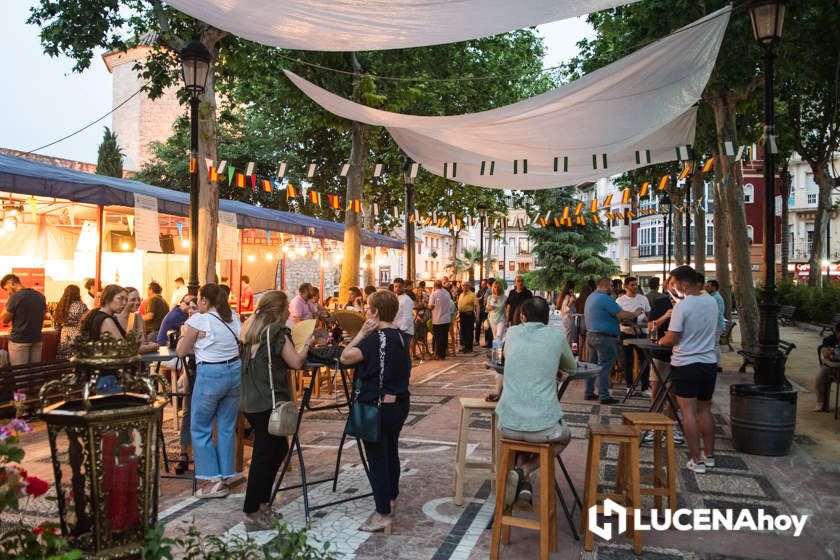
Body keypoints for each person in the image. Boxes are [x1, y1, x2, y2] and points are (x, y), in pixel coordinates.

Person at [239, 290, 313, 531]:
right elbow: (295, 362)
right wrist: (308, 345)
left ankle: (262, 505)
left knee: (277, 450)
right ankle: (252, 512)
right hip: (269, 403)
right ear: (281, 311)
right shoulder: (276, 332)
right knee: (263, 457)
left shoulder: (250, 329)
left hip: (251, 401)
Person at [340, 290, 411, 534]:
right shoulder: (400, 336)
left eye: (368, 308)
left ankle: (382, 513)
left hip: (377, 407)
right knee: (391, 451)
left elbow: (345, 357)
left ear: (375, 312)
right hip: (399, 404)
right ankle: (391, 498)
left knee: (377, 457)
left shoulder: (375, 338)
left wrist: (360, 333)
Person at [497, 297, 576, 505]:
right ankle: (525, 470)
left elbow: (511, 359)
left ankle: (523, 482)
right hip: (544, 429)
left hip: (507, 425)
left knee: (524, 440)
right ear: (547, 319)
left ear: (522, 317)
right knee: (565, 437)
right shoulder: (556, 337)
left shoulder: (512, 333)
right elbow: (572, 368)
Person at [176, 283, 242, 498]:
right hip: (234, 371)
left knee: (201, 427)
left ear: (204, 300)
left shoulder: (199, 320)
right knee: (225, 427)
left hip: (211, 375)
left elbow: (181, 351)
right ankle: (226, 475)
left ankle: (211, 480)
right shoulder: (233, 316)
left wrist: (190, 339)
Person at [658, 265, 719, 474]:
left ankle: (696, 460)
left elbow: (673, 337)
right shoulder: (711, 302)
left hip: (686, 363)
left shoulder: (682, 307)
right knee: (705, 410)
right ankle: (709, 456)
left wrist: (662, 340)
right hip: (709, 363)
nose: (673, 289)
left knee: (688, 413)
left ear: (683, 284)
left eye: (674, 284)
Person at [584, 277, 644, 405]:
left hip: (591, 335)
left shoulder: (591, 297)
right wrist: (635, 313)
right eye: (611, 286)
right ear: (605, 286)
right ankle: (604, 396)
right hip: (604, 337)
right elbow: (621, 314)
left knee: (592, 366)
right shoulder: (605, 299)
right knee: (605, 367)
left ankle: (589, 392)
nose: (613, 288)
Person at [645, 276, 684, 444]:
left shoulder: (688, 303)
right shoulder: (660, 303)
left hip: (681, 355)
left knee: (674, 394)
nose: (675, 289)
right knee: (656, 390)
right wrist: (666, 316)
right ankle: (654, 426)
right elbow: (650, 327)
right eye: (672, 284)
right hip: (661, 354)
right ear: (668, 285)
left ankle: (670, 426)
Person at [79, 284, 127, 394]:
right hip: (108, 376)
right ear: (108, 298)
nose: (124, 303)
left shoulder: (98, 315)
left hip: (100, 375)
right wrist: (151, 347)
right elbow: (124, 347)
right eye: (120, 298)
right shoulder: (106, 320)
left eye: (125, 300)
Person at [0, 274, 47, 366]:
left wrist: (9, 302)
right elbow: (44, 315)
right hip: (37, 339)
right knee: (35, 373)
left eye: (6, 289)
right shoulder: (40, 296)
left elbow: (4, 319)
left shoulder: (15, 297)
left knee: (20, 375)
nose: (8, 292)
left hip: (20, 341)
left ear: (11, 283)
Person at [616, 276, 651, 396]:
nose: (635, 287)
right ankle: (629, 386)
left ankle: (645, 387)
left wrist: (647, 318)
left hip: (642, 333)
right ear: (626, 287)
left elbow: (648, 314)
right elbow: (619, 316)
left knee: (645, 360)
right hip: (626, 332)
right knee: (627, 360)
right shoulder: (620, 300)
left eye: (636, 284)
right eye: (632, 285)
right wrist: (632, 315)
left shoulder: (643, 298)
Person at [118, 287, 159, 354]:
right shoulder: (114, 318)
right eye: (133, 300)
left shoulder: (139, 318)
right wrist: (154, 346)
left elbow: (142, 343)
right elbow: (125, 349)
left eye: (138, 299)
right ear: (124, 301)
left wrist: (147, 346)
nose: (137, 302)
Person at [54, 285, 89, 360]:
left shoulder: (61, 305)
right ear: (77, 293)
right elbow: (86, 321)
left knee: (65, 358)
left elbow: (56, 325)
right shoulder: (81, 305)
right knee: (75, 357)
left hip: (64, 334)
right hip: (77, 333)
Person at [814, 321, 840, 412]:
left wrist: (832, 352)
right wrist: (831, 352)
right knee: (818, 380)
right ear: (837, 332)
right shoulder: (829, 340)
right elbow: (825, 354)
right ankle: (820, 401)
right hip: (829, 367)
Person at [428, 280, 454, 360]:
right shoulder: (447, 293)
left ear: (434, 286)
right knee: (444, 337)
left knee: (438, 338)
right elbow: (450, 304)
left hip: (437, 319)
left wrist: (427, 305)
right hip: (446, 319)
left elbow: (431, 306)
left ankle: (438, 355)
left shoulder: (434, 294)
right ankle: (443, 355)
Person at [704, 279, 726, 371]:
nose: (706, 287)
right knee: (714, 345)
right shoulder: (713, 297)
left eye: (708, 286)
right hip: (715, 325)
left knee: (715, 345)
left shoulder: (716, 298)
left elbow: (716, 313)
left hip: (716, 325)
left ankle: (718, 365)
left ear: (714, 287)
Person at [456, 283, 479, 353]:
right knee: (462, 331)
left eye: (466, 285)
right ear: (461, 287)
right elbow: (459, 306)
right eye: (463, 285)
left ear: (469, 286)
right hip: (462, 315)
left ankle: (469, 348)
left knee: (469, 331)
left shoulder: (472, 295)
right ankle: (465, 346)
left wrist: (477, 316)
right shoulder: (461, 295)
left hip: (469, 315)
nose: (465, 287)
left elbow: (477, 306)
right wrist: (458, 314)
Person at [392, 278, 415, 345]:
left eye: (400, 287)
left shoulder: (406, 300)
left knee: (404, 354)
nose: (397, 288)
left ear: (403, 287)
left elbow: (407, 317)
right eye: (395, 286)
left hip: (404, 332)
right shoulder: (395, 298)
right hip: (397, 330)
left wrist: (401, 331)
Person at [556, 281, 577, 345]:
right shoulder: (567, 296)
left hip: (569, 318)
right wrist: (570, 302)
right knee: (568, 336)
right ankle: (566, 352)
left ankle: (569, 351)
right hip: (568, 318)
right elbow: (564, 309)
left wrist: (573, 295)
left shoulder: (569, 295)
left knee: (570, 336)